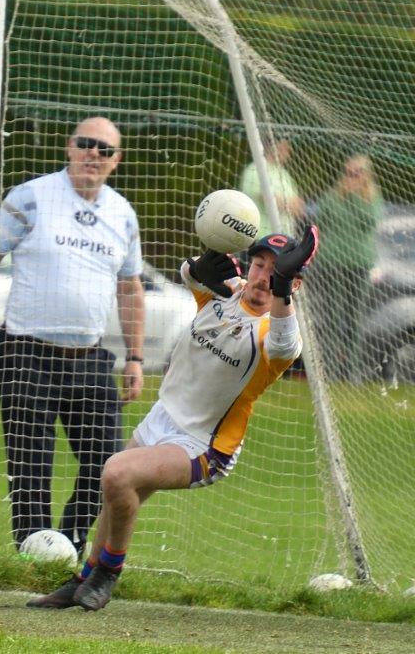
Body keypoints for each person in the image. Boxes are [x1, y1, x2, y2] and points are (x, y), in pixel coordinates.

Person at [27, 227, 318, 611]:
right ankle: (82, 578)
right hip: (162, 417)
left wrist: (281, 288)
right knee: (114, 496)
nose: (263, 276)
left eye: (276, 272)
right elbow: (189, 274)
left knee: (116, 474)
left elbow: (283, 342)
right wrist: (205, 257)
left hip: (204, 445)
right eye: (259, 264)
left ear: (292, 284)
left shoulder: (278, 336)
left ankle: (108, 572)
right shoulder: (224, 295)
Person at [0, 117, 145, 558]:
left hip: (89, 356)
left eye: (104, 149)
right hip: (26, 352)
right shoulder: (30, 197)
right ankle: (32, 554)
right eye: (86, 144)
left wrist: (135, 357)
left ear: (116, 161)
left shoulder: (122, 214)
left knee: (109, 464)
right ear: (69, 147)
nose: (93, 155)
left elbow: (130, 286)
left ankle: (72, 543)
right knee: (31, 467)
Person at [312, 154, 383, 381]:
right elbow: (319, 220)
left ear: (366, 175)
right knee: (332, 317)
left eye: (356, 173)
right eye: (348, 172)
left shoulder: (372, 198)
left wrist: (355, 197)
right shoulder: (333, 195)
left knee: (354, 317)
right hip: (332, 263)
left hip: (359, 264)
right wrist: (343, 194)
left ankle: (351, 372)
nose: (351, 177)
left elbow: (369, 222)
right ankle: (330, 372)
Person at [239, 138, 305, 237]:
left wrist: (287, 204)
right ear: (272, 147)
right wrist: (289, 205)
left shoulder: (284, 174)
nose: (287, 152)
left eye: (288, 149)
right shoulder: (255, 169)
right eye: (283, 148)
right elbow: (267, 200)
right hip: (260, 237)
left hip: (285, 237)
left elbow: (299, 206)